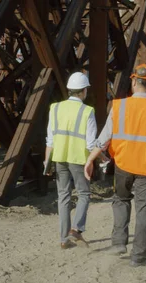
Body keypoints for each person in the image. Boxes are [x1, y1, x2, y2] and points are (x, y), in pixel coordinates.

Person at [84, 64, 146, 267]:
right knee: (144, 209)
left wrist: (90, 159)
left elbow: (104, 138)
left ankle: (118, 243)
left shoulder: (120, 106)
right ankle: (139, 256)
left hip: (124, 164)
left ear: (134, 82)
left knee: (121, 200)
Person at [45, 72, 97, 249]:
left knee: (63, 197)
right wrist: (102, 157)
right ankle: (76, 228)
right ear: (83, 91)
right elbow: (91, 144)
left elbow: (50, 139)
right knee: (84, 194)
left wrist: (47, 163)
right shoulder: (87, 111)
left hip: (60, 158)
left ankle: (63, 239)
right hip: (78, 158)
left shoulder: (55, 108)